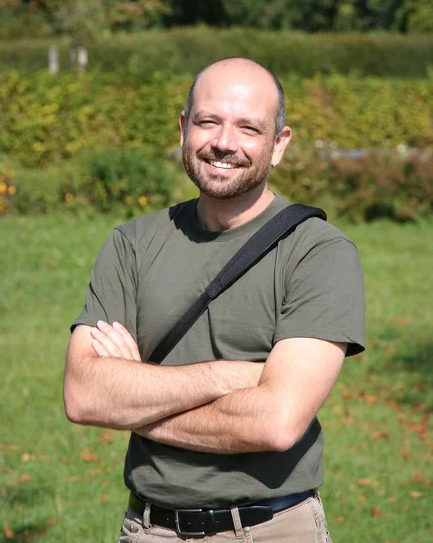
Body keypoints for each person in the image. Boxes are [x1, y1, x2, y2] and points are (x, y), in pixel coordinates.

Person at [63, 57, 365, 543]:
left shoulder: (319, 252)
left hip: (272, 530)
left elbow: (276, 423)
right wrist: (233, 376)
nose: (224, 142)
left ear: (279, 144)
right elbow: (83, 395)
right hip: (148, 530)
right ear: (184, 129)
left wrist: (136, 403)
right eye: (208, 121)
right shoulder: (132, 244)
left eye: (249, 127)